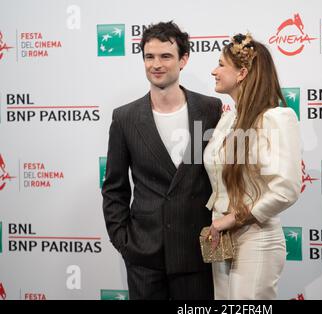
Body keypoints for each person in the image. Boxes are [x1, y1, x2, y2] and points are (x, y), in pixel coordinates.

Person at [102, 21, 222, 300]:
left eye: (165, 56)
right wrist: (124, 241)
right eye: (149, 56)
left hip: (197, 253)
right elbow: (114, 188)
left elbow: (222, 176)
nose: (156, 64)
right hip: (144, 255)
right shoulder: (125, 118)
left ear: (183, 60)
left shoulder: (210, 109)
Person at [204, 33, 302, 299]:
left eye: (221, 64)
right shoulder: (227, 120)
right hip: (221, 239)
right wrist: (220, 223)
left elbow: (287, 189)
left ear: (242, 73)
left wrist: (233, 219)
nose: (214, 70)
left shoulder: (277, 118)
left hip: (256, 239)